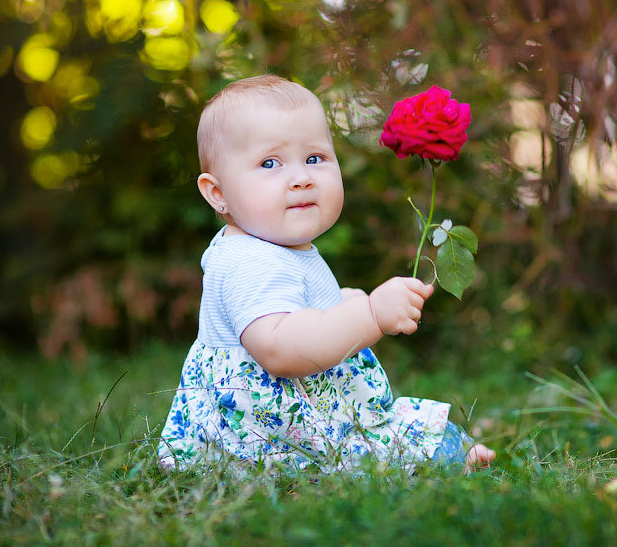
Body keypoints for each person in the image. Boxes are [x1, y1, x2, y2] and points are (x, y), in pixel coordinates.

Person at [158, 74, 495, 474]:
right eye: (270, 163)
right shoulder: (248, 262)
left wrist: (340, 303)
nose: (301, 177)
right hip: (267, 436)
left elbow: (296, 312)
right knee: (371, 451)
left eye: (315, 158)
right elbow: (279, 348)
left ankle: (438, 451)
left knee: (394, 434)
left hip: (297, 416)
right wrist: (368, 314)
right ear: (218, 193)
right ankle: (434, 459)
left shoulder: (272, 247)